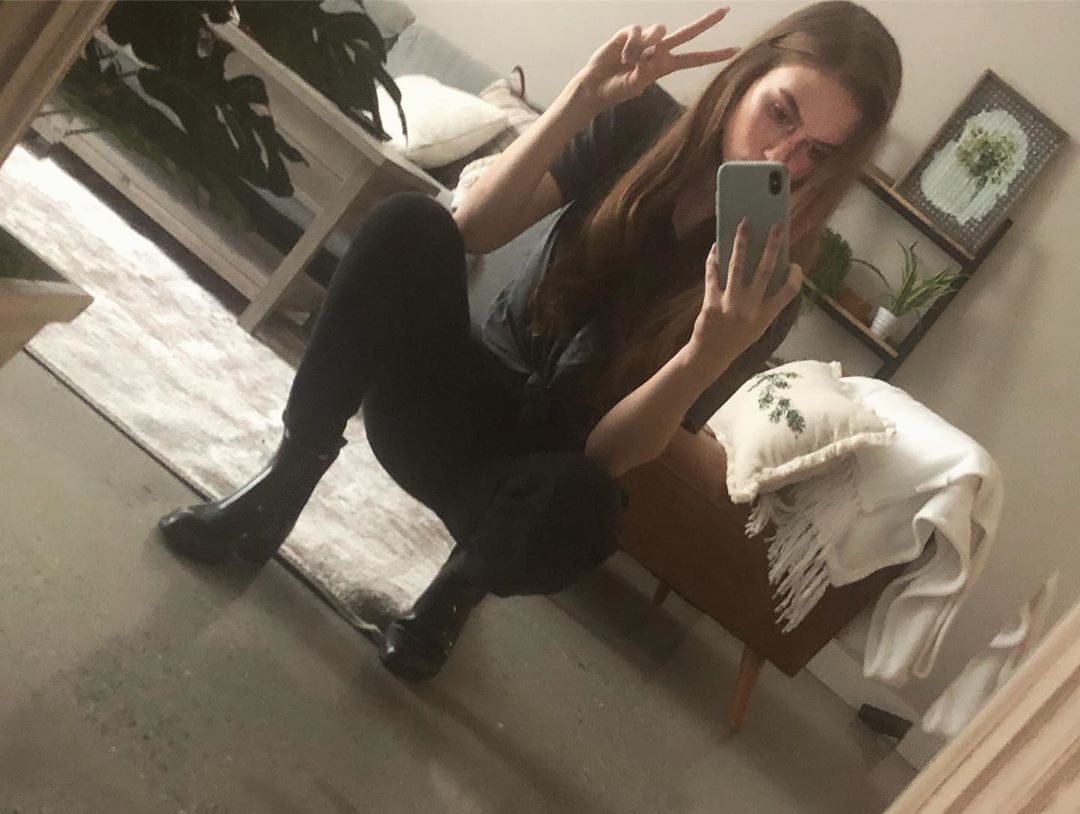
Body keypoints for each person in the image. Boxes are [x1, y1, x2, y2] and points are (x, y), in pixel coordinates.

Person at [157, 1, 902, 680]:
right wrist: (579, 101)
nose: (782, 158)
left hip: (519, 501)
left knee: (592, 500)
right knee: (411, 224)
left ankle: (453, 594)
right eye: (780, 113)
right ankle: (280, 488)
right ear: (745, 80)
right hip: (442, 409)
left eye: (817, 152)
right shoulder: (639, 125)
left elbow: (610, 454)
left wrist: (704, 351)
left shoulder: (768, 291)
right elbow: (473, 230)